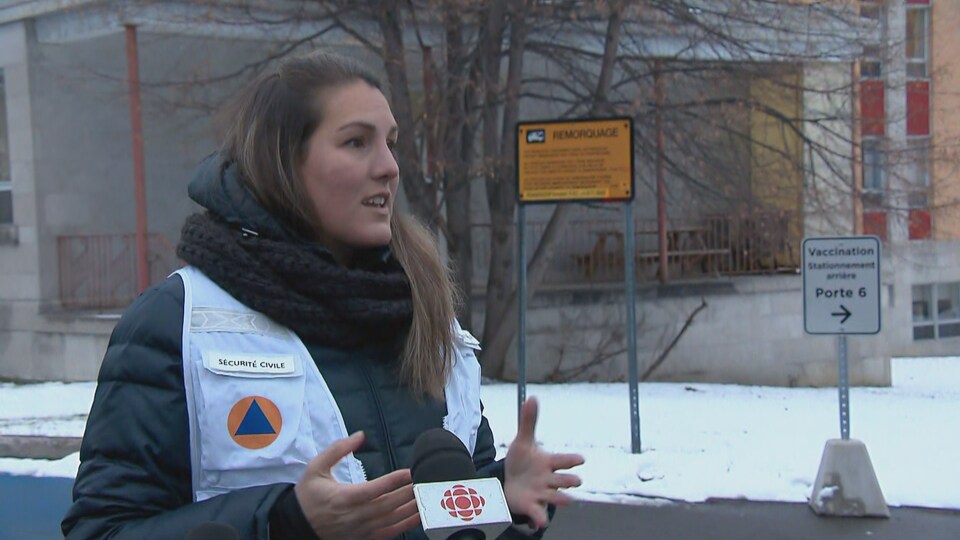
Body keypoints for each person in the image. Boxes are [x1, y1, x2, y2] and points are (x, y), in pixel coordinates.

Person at [61, 50, 584, 540]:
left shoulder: (422, 310)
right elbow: (103, 528)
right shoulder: (178, 322)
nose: (389, 167)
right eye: (357, 142)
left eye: (391, 142)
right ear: (284, 164)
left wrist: (500, 495)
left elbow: (441, 507)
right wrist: (288, 521)